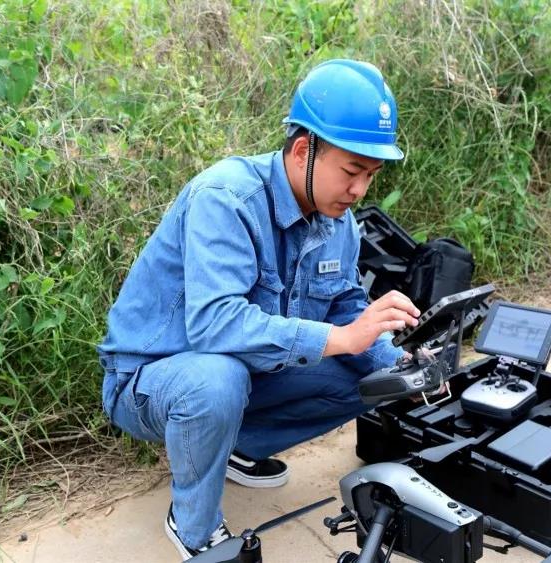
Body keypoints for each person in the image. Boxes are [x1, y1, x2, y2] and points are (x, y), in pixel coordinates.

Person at [96, 58, 420, 560]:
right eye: (351, 171)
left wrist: (403, 365)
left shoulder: (339, 221)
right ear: (303, 150)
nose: (359, 191)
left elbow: (345, 305)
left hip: (248, 369)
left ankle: (233, 447)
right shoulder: (226, 197)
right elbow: (214, 324)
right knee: (216, 382)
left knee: (374, 378)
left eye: (371, 176)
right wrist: (342, 338)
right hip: (152, 378)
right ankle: (196, 529)